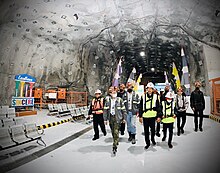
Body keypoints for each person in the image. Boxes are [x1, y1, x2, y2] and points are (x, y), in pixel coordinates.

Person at [104, 88, 127, 155]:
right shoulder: (107, 100)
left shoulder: (120, 100)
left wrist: (124, 118)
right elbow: (105, 111)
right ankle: (116, 139)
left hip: (118, 118)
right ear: (110, 93)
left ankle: (114, 146)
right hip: (111, 117)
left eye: (115, 92)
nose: (114, 93)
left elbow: (124, 110)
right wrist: (105, 119)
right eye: (112, 92)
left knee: (116, 131)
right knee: (112, 131)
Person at [139, 82, 160, 150]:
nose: (149, 90)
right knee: (146, 131)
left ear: (153, 89)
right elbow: (141, 107)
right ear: (146, 89)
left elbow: (158, 107)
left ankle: (153, 139)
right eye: (148, 88)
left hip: (153, 116)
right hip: (145, 116)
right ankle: (147, 143)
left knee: (153, 130)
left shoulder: (156, 96)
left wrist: (158, 116)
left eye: (151, 88)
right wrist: (140, 116)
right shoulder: (143, 96)